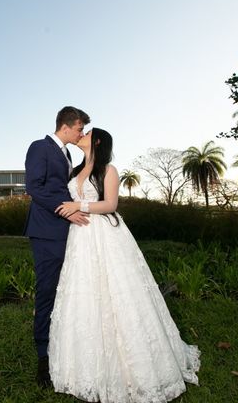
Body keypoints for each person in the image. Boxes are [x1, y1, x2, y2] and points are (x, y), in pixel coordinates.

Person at [49, 128, 200, 403]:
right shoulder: (75, 170)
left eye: (87, 132)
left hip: (106, 236)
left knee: (118, 291)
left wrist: (77, 205)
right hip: (80, 239)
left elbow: (110, 204)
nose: (81, 134)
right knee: (85, 291)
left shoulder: (108, 170)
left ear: (97, 141)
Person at [24, 106, 91, 388]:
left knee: (67, 290)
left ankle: (65, 345)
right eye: (80, 129)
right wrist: (66, 211)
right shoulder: (40, 147)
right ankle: (43, 357)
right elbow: (34, 187)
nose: (81, 134)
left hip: (66, 231)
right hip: (46, 232)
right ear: (67, 125)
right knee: (47, 290)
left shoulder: (67, 155)